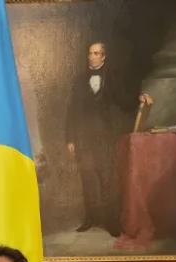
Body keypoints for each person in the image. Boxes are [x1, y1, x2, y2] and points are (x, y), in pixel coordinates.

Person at [65, 42, 153, 235]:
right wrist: (70, 139)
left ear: (103, 57)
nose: (92, 56)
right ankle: (90, 219)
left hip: (104, 137)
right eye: (90, 53)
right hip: (83, 138)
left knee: (107, 180)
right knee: (87, 179)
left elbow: (123, 100)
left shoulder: (111, 78)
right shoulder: (79, 80)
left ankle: (111, 222)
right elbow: (71, 111)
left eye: (96, 53)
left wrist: (138, 98)